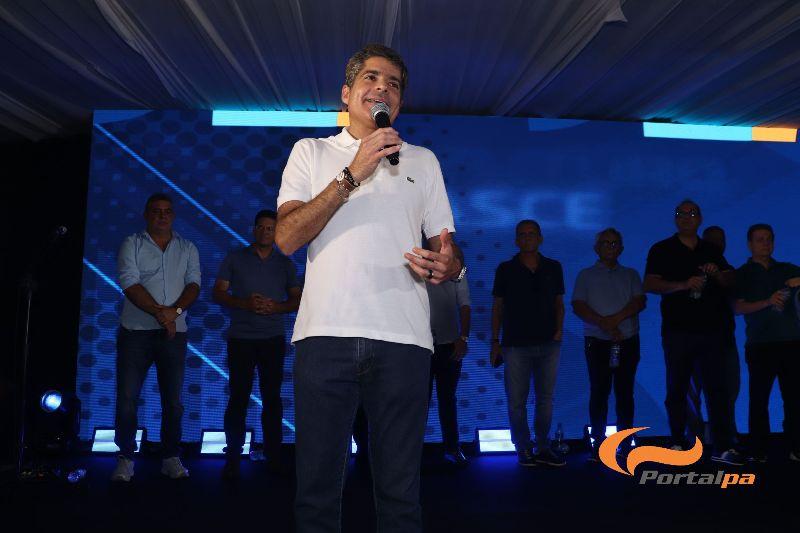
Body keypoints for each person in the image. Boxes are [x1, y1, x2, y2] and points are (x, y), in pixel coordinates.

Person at [275, 44, 464, 532]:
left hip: (405, 341)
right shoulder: (310, 152)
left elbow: (448, 249)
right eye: (372, 79)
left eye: (394, 84)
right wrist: (352, 173)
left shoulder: (423, 161)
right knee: (317, 494)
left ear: (399, 102)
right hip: (325, 337)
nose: (383, 88)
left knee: (401, 496)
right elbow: (287, 238)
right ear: (347, 93)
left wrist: (450, 266)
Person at [643, 199, 743, 465]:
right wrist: (683, 284)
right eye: (681, 213)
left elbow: (730, 279)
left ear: (699, 218)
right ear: (675, 218)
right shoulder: (662, 249)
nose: (686, 217)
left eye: (692, 213)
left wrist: (717, 274)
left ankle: (722, 446)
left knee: (717, 391)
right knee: (677, 389)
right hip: (678, 331)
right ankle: (678, 442)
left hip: (712, 331)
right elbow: (650, 284)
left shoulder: (710, 249)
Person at [111, 193, 201, 481]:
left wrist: (174, 312)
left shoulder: (188, 247)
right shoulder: (132, 243)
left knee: (173, 402)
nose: (162, 216)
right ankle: (126, 457)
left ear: (173, 215)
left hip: (174, 335)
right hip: (135, 334)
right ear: (146, 214)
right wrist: (162, 314)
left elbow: (194, 284)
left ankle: (170, 457)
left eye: (167, 211)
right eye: (156, 211)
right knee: (127, 399)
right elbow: (129, 283)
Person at [212, 209, 301, 479]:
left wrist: (277, 307)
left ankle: (274, 456)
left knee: (272, 399)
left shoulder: (285, 264)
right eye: (261, 227)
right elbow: (218, 293)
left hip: (272, 340)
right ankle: (233, 456)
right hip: (241, 339)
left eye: (270, 228)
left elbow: (297, 299)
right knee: (238, 398)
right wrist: (244, 303)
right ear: (254, 229)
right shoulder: (235, 258)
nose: (265, 232)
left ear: (276, 232)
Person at [490, 220, 566, 467]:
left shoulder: (553, 267)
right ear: (516, 240)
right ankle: (523, 447)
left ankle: (543, 446)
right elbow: (497, 307)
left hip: (549, 343)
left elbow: (559, 304)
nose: (527, 238)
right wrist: (495, 341)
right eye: (522, 234)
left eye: (531, 234)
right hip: (515, 344)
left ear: (540, 238)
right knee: (516, 402)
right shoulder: (505, 269)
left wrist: (558, 331)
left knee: (546, 399)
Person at [572, 228, 645, 461]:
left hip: (627, 340)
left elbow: (639, 301)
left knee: (625, 393)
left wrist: (615, 319)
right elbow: (578, 305)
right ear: (596, 248)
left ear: (621, 248)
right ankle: (599, 442)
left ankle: (625, 443)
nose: (610, 247)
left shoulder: (631, 274)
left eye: (614, 243)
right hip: (597, 341)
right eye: (605, 243)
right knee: (599, 392)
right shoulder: (585, 275)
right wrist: (603, 323)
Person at [734, 223, 800, 462]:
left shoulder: (787, 268)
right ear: (749, 244)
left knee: (794, 398)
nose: (765, 243)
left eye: (769, 238)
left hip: (791, 342)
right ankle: (758, 449)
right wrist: (768, 302)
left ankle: (797, 446)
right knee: (759, 399)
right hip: (760, 344)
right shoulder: (742, 274)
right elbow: (737, 307)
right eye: (760, 239)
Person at [685, 225, 740, 445]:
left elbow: (736, 301)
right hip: (693, 340)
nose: (717, 244)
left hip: (724, 340)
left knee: (728, 392)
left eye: (720, 240)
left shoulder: (729, 272)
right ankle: (694, 439)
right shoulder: (692, 271)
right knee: (691, 394)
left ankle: (725, 437)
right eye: (711, 240)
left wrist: (719, 276)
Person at [427, 267, 471, 466]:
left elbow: (465, 303)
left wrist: (463, 338)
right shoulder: (417, 264)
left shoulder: (457, 269)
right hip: (421, 345)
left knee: (447, 398)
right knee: (418, 401)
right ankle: (411, 451)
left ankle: (452, 448)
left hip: (450, 344)